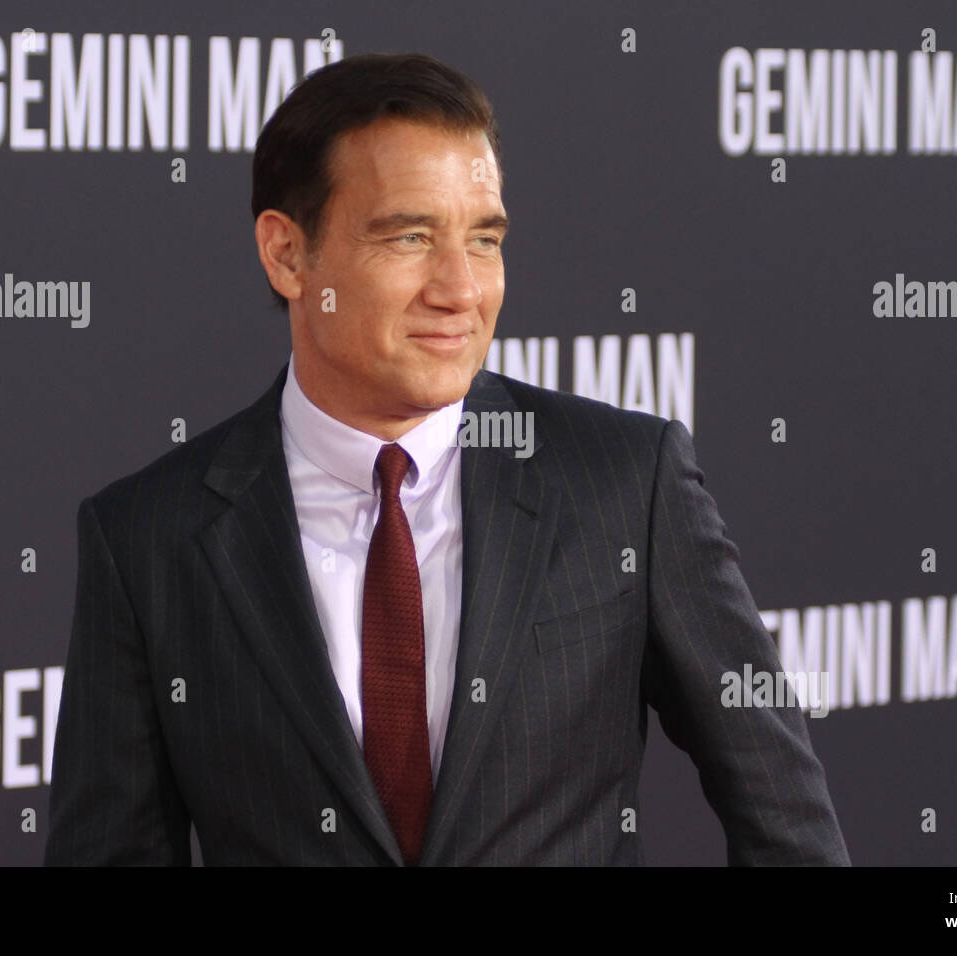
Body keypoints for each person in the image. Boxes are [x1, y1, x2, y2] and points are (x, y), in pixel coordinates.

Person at [44, 52, 849, 866]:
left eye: (484, 239)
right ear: (288, 255)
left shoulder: (625, 483)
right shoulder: (148, 539)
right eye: (411, 237)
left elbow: (785, 821)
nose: (461, 289)